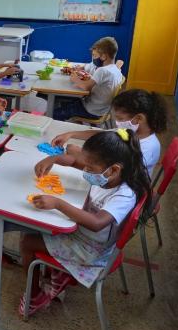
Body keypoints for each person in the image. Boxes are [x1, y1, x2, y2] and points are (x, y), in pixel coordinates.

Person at [20, 129, 151, 316]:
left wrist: (57, 203)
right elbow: (75, 161)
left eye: (90, 168)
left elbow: (97, 223)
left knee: (27, 241)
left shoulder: (124, 195)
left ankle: (34, 297)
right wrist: (53, 159)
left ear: (114, 169)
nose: (86, 170)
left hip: (90, 249)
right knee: (43, 226)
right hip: (85, 236)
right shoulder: (109, 176)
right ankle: (57, 275)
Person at [50, 89, 168, 176]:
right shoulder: (130, 131)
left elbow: (112, 174)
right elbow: (102, 135)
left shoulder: (146, 148)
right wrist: (71, 134)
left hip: (121, 192)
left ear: (139, 118)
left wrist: (82, 156)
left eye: (120, 118)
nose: (117, 123)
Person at [53, 37, 123, 121]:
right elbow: (89, 68)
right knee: (63, 101)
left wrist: (75, 79)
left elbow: (86, 87)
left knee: (55, 112)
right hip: (103, 109)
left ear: (104, 56)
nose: (93, 58)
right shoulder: (115, 69)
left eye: (94, 55)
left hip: (91, 110)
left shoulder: (102, 70)